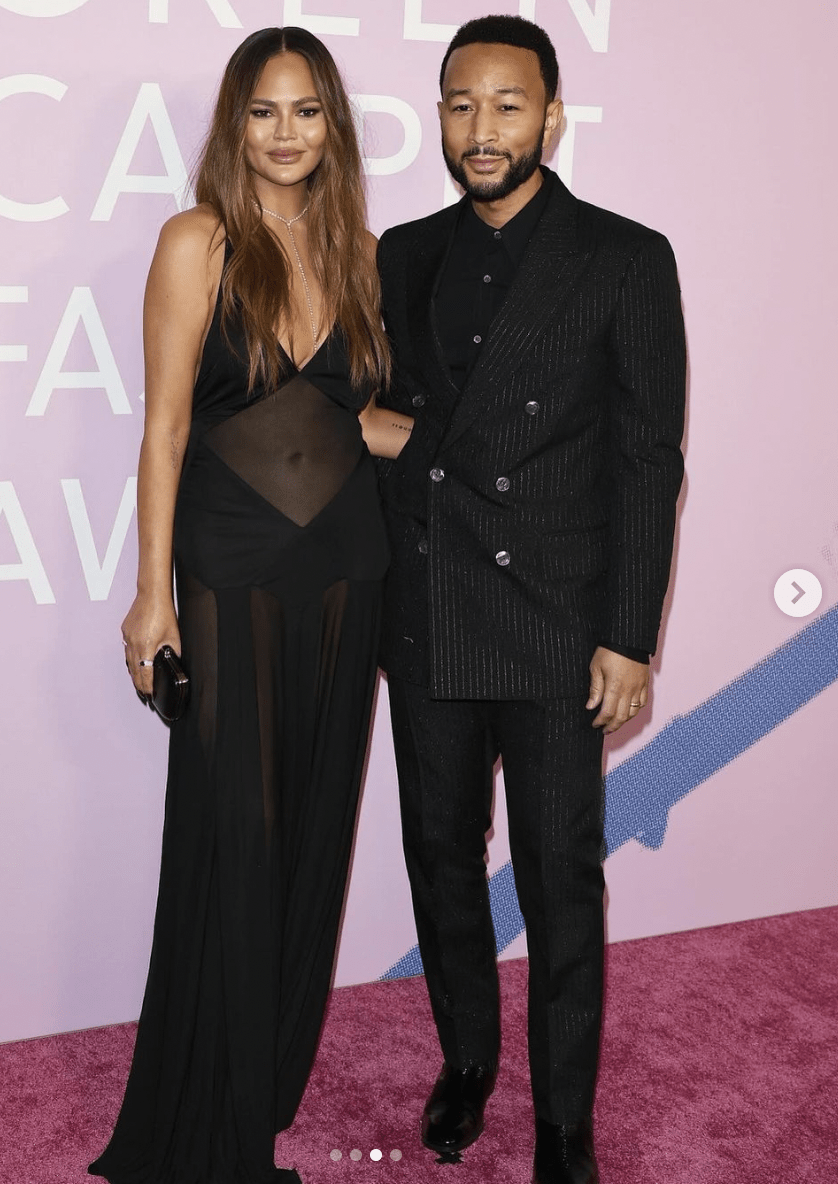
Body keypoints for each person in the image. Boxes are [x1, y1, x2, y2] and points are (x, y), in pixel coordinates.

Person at [89, 27, 410, 1184]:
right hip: (230, 571)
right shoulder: (198, 242)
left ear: (334, 125)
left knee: (315, 829)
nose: (286, 135)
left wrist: (476, 450)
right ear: (236, 124)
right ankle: (208, 1129)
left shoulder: (363, 251)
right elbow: (167, 426)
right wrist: (150, 595)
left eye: (308, 112)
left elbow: (353, 421)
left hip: (347, 572)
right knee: (235, 833)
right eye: (265, 112)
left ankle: (261, 1088)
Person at [375, 15, 686, 1184]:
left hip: (561, 623)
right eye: (461, 104)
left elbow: (649, 458)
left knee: (562, 875)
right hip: (435, 606)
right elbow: (380, 424)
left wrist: (628, 633)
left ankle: (565, 1121)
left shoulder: (623, 255)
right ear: (440, 114)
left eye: (508, 105)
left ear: (552, 117)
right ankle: (466, 1061)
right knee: (441, 856)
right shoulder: (400, 253)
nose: (482, 128)